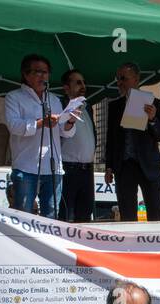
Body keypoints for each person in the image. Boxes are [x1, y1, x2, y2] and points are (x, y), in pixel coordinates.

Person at [4, 54, 77, 218]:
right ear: (26, 74)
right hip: (26, 167)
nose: (43, 76)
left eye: (46, 72)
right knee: (23, 216)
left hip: (53, 168)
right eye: (38, 72)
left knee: (51, 216)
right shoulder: (14, 97)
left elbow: (64, 133)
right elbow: (14, 126)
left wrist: (70, 121)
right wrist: (40, 123)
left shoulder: (54, 100)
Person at [105, 62, 160, 222]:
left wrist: (153, 119)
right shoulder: (114, 106)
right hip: (124, 166)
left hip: (148, 165)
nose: (120, 83)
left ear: (136, 79)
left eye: (123, 78)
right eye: (118, 79)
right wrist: (109, 167)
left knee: (155, 212)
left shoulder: (154, 103)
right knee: (127, 214)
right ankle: (129, 246)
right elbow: (111, 138)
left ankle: (158, 245)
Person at [58, 69, 96, 222]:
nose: (83, 86)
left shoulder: (87, 107)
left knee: (85, 217)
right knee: (66, 216)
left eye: (84, 82)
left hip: (87, 170)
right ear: (66, 88)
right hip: (69, 168)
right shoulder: (60, 105)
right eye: (78, 82)